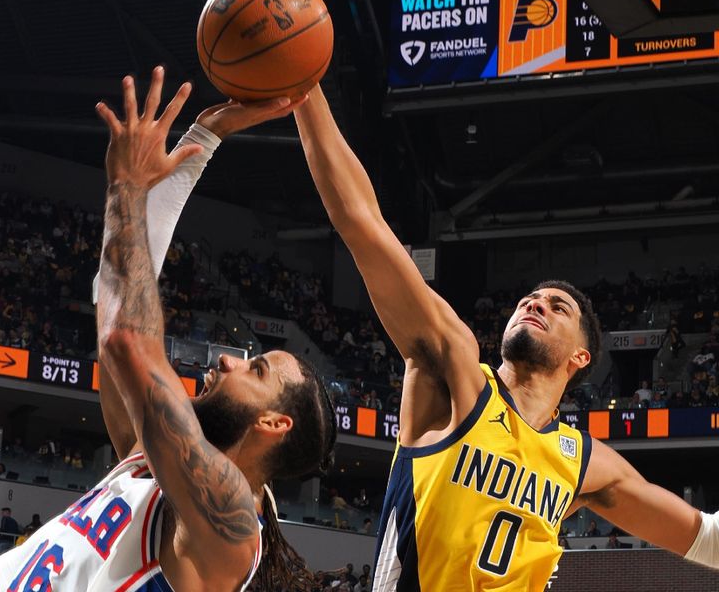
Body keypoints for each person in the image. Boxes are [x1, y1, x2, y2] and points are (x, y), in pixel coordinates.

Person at [292, 85, 719, 590]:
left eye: (557, 307)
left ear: (581, 357)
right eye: (528, 300)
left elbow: (702, 535)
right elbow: (362, 223)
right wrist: (305, 90)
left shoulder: (584, 461)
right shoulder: (454, 375)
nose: (534, 303)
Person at [0, 68, 336, 592]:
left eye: (255, 368)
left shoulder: (228, 520)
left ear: (274, 422)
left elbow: (127, 338)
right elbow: (116, 296)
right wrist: (201, 141)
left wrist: (127, 186)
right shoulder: (152, 460)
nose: (225, 360)